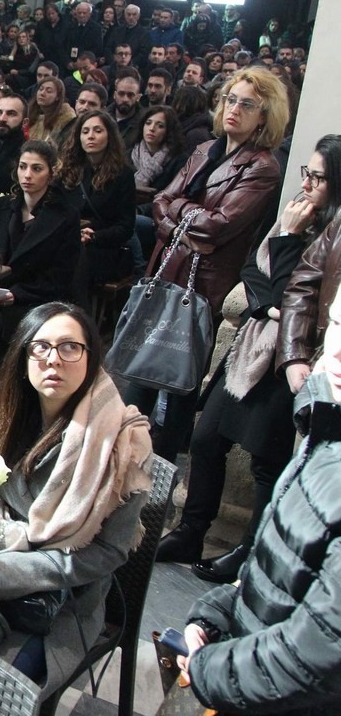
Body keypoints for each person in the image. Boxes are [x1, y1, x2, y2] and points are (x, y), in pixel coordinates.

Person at [0, 302, 152, 696]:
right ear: (23, 357)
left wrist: (6, 574)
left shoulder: (122, 442)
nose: (54, 359)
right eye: (41, 347)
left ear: (91, 357)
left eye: (70, 347)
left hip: (54, 601)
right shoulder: (2, 414)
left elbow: (108, 552)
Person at [157, 136, 341, 581]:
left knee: (266, 460)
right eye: (308, 174)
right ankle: (192, 529)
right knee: (205, 441)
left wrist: (290, 243)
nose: (309, 184)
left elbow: (294, 288)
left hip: (291, 357)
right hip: (256, 343)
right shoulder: (295, 213)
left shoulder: (324, 230)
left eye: (319, 177)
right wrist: (268, 304)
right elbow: (252, 272)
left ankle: (248, 550)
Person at [171, 294, 341, 714]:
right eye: (337, 323)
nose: (338, 349)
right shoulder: (326, 433)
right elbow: (275, 574)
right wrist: (216, 615)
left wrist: (207, 668)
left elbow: (312, 657)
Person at [120, 67, 289, 462]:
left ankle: (157, 479)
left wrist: (177, 216)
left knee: (178, 386)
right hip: (165, 272)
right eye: (231, 99)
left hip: (203, 289)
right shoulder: (204, 150)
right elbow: (160, 200)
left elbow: (218, 227)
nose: (235, 109)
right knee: (138, 377)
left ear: (264, 115)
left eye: (248, 104)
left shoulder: (263, 167)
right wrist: (181, 220)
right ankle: (123, 464)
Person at [0, 140, 81, 359]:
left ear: (50, 173)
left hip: (37, 298)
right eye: (23, 166)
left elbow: (62, 274)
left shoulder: (65, 215)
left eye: (36, 168)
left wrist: (16, 294)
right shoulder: (2, 206)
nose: (27, 174)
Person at [57, 110, 136, 290]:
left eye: (98, 131)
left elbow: (125, 227)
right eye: (85, 132)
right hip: (67, 241)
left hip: (102, 248)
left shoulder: (122, 174)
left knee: (76, 260)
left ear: (110, 136)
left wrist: (94, 236)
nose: (90, 136)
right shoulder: (68, 169)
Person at [27, 77, 75, 147]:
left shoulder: (66, 118)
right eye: (40, 89)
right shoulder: (30, 113)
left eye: (49, 91)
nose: (42, 93)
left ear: (58, 97)